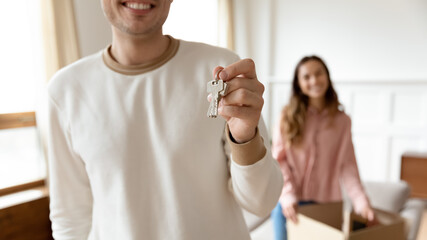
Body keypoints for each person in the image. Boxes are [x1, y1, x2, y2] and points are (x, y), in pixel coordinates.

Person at [46, 0, 283, 239]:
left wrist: (245, 138)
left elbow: (262, 202)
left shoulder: (222, 71)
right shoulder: (65, 92)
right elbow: (70, 219)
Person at [270, 55, 376, 240]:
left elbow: (348, 166)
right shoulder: (287, 116)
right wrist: (288, 195)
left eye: (319, 73)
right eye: (306, 77)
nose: (314, 80)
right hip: (288, 204)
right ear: (299, 84)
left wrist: (362, 203)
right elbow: (279, 160)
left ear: (327, 76)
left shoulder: (343, 121)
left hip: (326, 206)